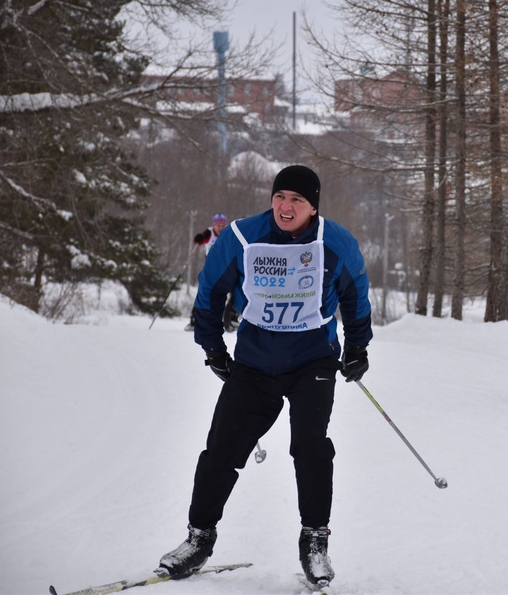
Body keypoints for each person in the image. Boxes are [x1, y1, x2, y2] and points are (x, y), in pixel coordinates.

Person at [158, 165, 373, 588]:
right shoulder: (241, 237)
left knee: (311, 449)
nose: (285, 206)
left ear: (313, 207)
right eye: (279, 197)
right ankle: (198, 538)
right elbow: (210, 291)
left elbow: (355, 296)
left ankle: (315, 542)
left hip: (313, 361)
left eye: (296, 200)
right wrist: (213, 347)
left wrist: (357, 348)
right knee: (221, 450)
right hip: (255, 363)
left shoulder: (336, 242)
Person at [185, 213, 238, 332]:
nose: (220, 228)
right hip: (212, 268)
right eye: (218, 225)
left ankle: (230, 319)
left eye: (223, 225)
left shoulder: (229, 233)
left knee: (236, 291)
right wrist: (198, 239)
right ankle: (194, 320)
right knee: (205, 293)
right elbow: (199, 239)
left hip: (227, 268)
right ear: (213, 226)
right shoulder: (209, 233)